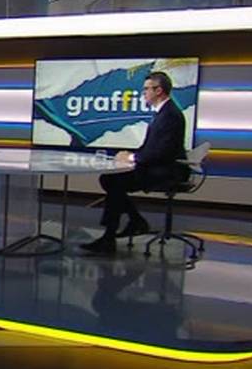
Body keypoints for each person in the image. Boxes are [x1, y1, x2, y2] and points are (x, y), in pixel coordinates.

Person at [81, 71, 189, 254]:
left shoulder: (170, 115)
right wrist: (130, 155)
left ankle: (111, 236)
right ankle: (135, 221)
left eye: (146, 89)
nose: (143, 93)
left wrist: (132, 158)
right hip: (158, 165)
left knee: (114, 181)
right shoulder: (163, 113)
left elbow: (161, 152)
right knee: (109, 179)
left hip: (167, 171)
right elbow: (150, 148)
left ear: (159, 90)